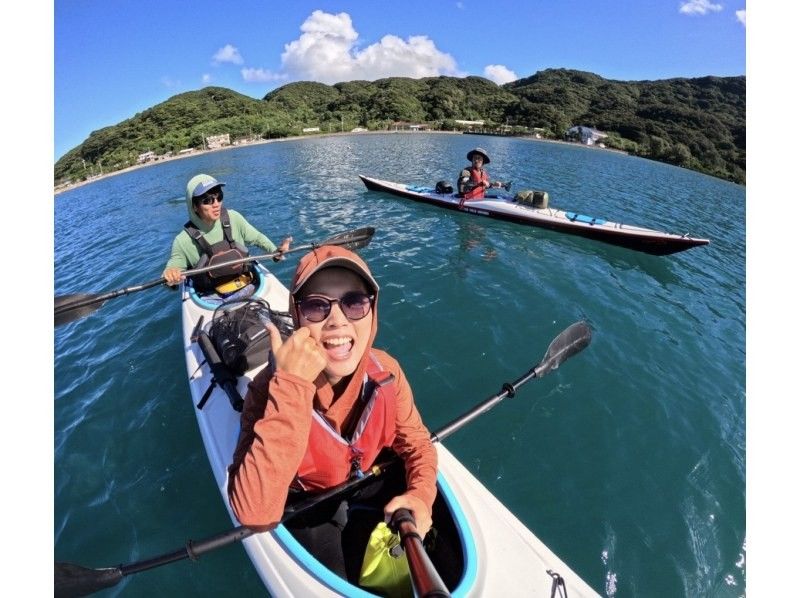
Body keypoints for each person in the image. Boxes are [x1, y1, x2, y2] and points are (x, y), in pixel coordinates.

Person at [227, 245, 438, 581]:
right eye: (316, 306)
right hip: (309, 503)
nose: (338, 320)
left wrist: (422, 495)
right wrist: (293, 385)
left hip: (367, 480)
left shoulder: (388, 372)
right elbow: (254, 512)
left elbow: (418, 445)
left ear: (372, 312)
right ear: (296, 317)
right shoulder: (268, 391)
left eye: (355, 302)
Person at [162, 173, 291, 294]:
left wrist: (276, 251)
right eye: (207, 200)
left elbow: (257, 237)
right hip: (210, 297)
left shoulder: (233, 218)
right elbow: (173, 268)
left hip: (247, 284)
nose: (216, 204)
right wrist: (171, 275)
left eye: (219, 197)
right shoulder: (182, 241)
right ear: (194, 206)